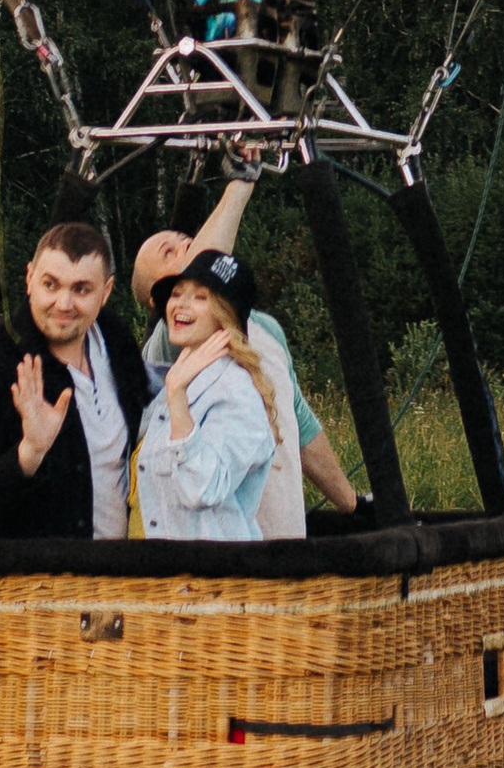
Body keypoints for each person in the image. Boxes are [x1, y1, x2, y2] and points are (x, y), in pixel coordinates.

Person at [130, 214, 361, 525]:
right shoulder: (169, 344)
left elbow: (299, 426)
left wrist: (352, 504)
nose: (186, 245)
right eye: (167, 252)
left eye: (186, 238)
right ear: (158, 302)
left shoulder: (263, 338)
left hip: (263, 544)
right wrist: (241, 184)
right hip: (217, 550)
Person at [133, 250, 282, 543]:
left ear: (225, 314)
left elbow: (203, 488)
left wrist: (177, 397)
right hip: (161, 577)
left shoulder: (236, 391)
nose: (181, 305)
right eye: (177, 293)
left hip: (210, 581)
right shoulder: (181, 378)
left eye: (201, 297)